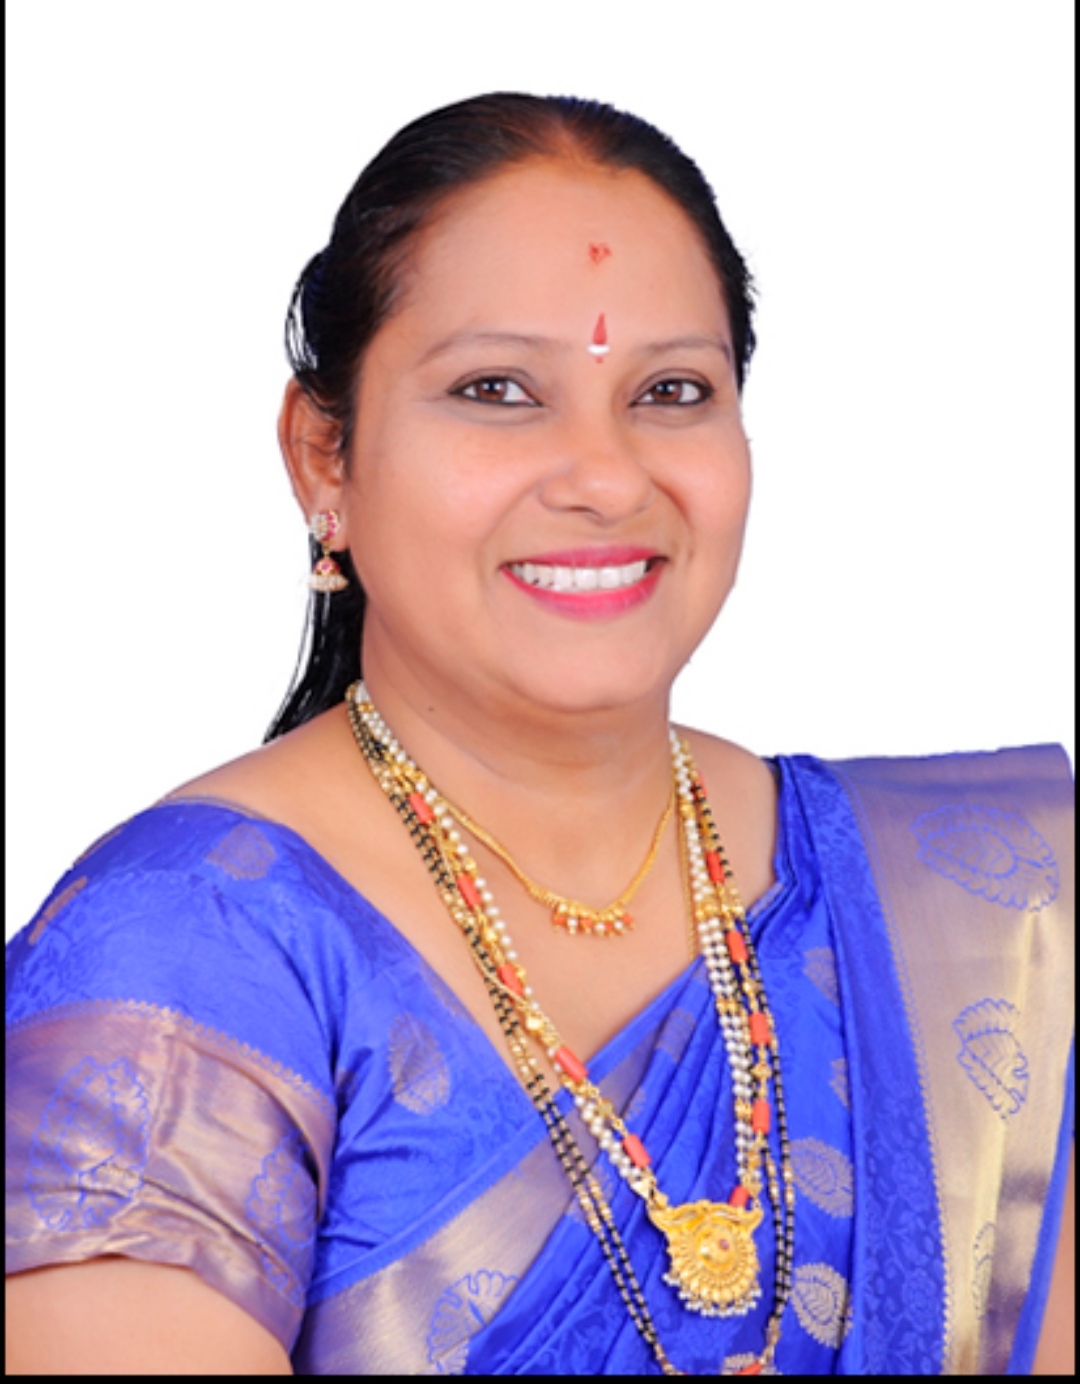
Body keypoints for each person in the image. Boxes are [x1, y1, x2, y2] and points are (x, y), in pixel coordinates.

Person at [5, 93, 1073, 1376]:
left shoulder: (980, 908)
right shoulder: (186, 957)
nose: (607, 477)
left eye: (671, 390)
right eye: (497, 390)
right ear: (324, 456)